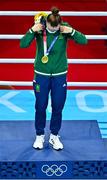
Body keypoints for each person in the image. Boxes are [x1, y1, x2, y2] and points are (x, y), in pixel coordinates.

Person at [20, 7, 88, 150]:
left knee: (58, 107)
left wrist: (72, 32)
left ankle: (54, 136)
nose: (54, 29)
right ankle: (39, 136)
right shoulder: (39, 29)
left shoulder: (65, 28)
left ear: (60, 23)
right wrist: (32, 30)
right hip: (41, 75)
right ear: (47, 24)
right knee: (40, 106)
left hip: (59, 76)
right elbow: (23, 44)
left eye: (56, 27)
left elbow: (84, 41)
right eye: (51, 27)